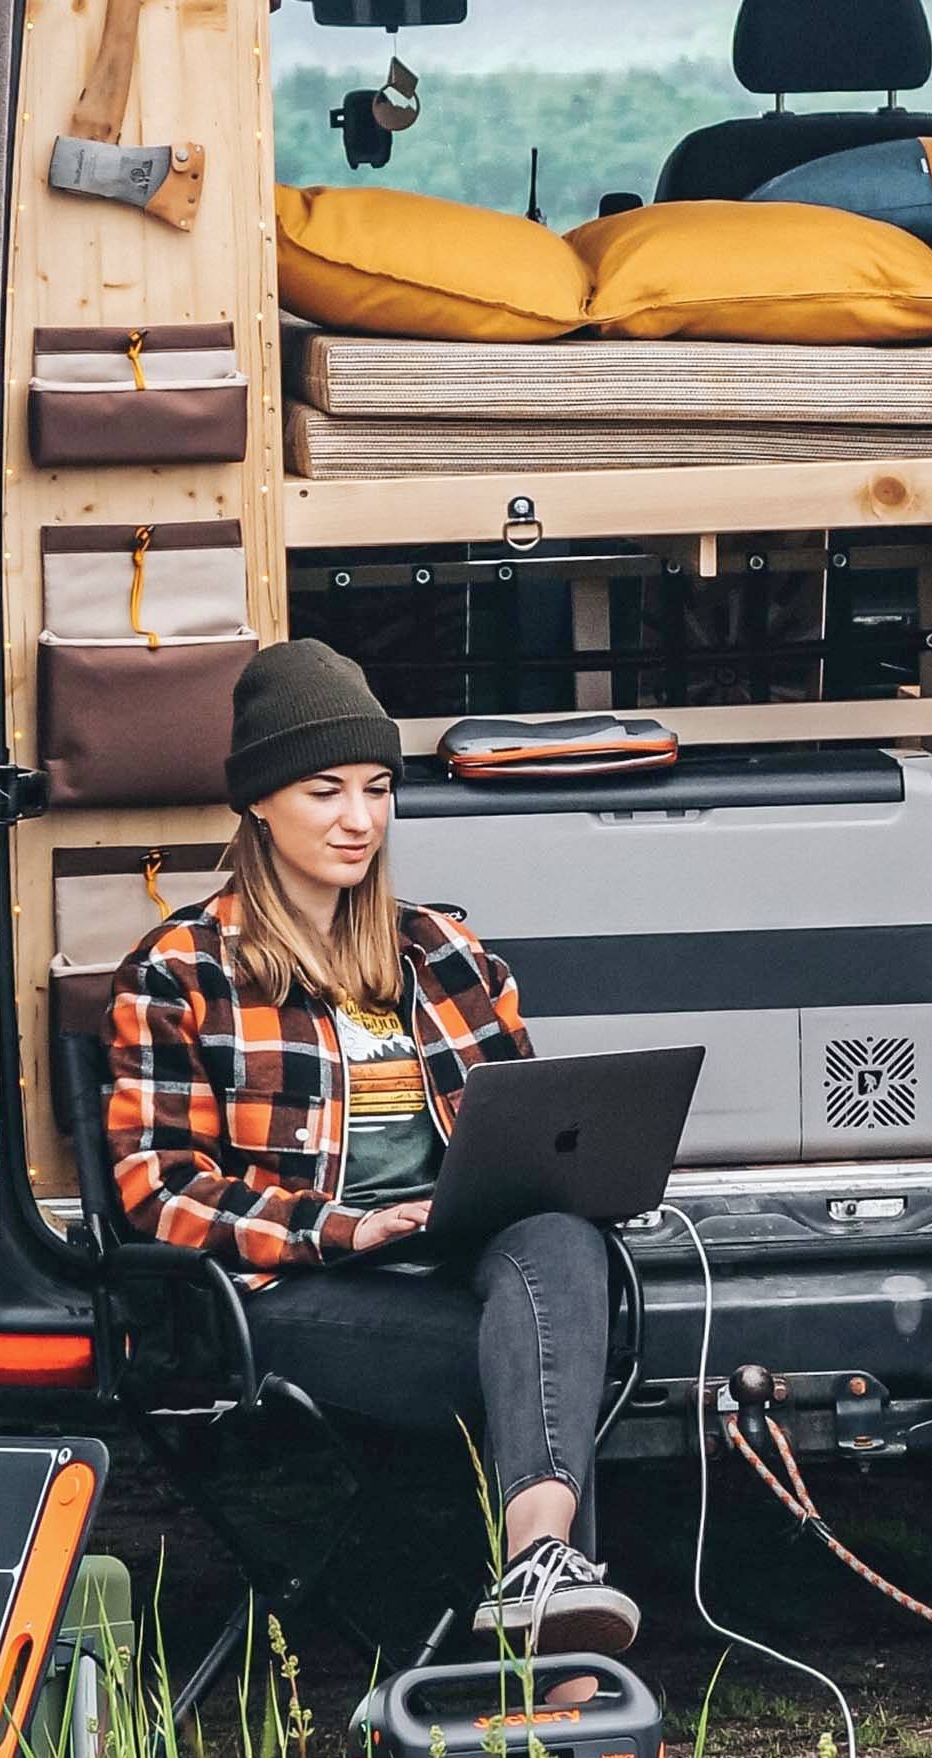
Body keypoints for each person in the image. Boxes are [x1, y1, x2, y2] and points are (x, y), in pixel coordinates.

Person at [106, 636, 639, 1653]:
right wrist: (340, 1228)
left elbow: (525, 1124)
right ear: (259, 802)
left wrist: (577, 1165)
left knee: (562, 1244)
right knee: (540, 1368)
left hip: (452, 1264)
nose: (360, 819)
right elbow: (161, 1191)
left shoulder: (444, 953)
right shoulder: (182, 973)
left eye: (378, 789)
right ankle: (574, 1702)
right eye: (326, 791)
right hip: (291, 1294)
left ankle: (539, 1565)